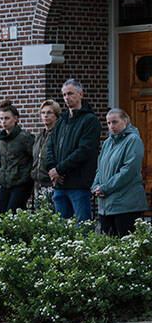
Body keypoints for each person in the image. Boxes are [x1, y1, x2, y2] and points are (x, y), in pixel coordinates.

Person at [46, 79, 102, 222]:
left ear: (81, 94)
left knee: (82, 228)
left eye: (70, 93)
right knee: (62, 230)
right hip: (59, 184)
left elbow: (84, 151)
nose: (66, 98)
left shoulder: (90, 121)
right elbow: (50, 147)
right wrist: (52, 169)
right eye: (64, 95)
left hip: (79, 184)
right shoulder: (61, 121)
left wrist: (59, 169)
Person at [92, 108, 147, 236]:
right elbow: (100, 168)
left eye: (115, 122)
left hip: (126, 205)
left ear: (125, 121)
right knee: (109, 249)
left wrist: (105, 188)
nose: (111, 126)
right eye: (108, 123)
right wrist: (95, 186)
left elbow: (128, 171)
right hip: (106, 206)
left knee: (125, 248)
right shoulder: (107, 143)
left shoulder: (133, 140)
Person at [0, 100, 35, 213]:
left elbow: (35, 157)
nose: (3, 122)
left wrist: (28, 175)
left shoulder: (25, 138)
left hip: (21, 183)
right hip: (6, 183)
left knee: (13, 213)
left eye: (7, 118)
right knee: (2, 214)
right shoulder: (1, 139)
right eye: (1, 118)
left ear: (16, 118)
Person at [31, 100, 61, 199]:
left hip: (52, 183)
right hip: (38, 183)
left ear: (56, 115)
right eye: (43, 113)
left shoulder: (59, 135)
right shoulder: (39, 137)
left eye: (49, 112)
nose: (45, 115)